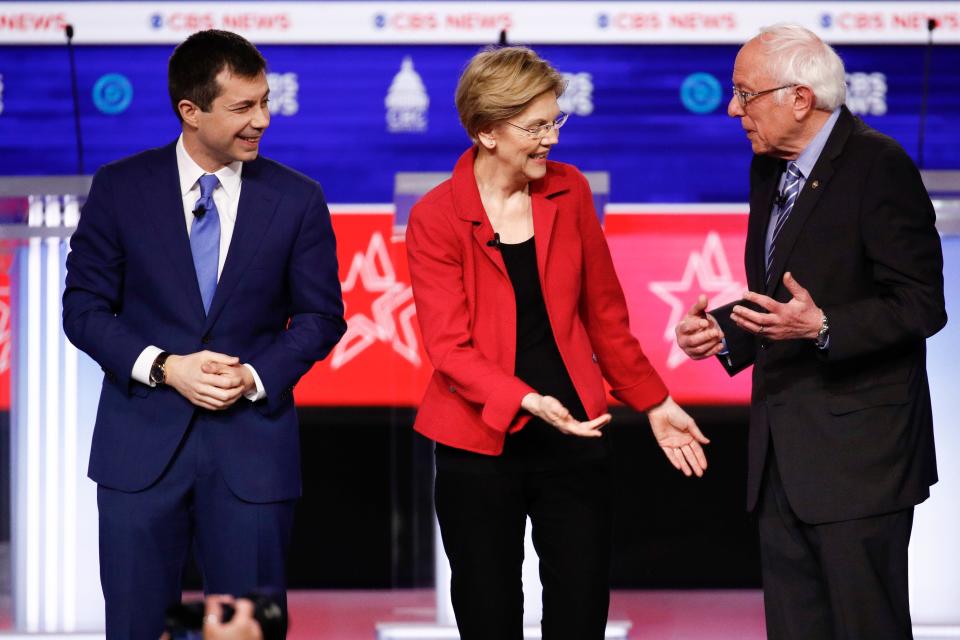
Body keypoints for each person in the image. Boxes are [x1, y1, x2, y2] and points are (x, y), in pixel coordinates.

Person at [406, 46, 709, 640]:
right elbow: (448, 348)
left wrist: (653, 401)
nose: (552, 138)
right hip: (478, 441)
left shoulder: (567, 192)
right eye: (537, 126)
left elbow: (605, 315)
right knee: (489, 613)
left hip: (576, 435)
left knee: (580, 610)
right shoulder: (436, 217)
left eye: (555, 121)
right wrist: (525, 399)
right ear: (488, 132)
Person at [62, 29, 345, 638]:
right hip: (140, 455)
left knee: (245, 631)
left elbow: (322, 318)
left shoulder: (297, 199)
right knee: (139, 625)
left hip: (252, 458)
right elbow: (83, 310)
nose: (262, 120)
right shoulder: (120, 188)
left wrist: (253, 376)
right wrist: (166, 366)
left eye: (265, 102)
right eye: (244, 107)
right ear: (190, 112)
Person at [675, 24, 946, 639]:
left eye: (745, 93)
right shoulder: (768, 167)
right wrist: (724, 332)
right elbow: (781, 297)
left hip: (860, 463)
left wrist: (824, 326)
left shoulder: (880, 165)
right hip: (782, 457)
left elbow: (922, 304)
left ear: (800, 98)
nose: (732, 108)